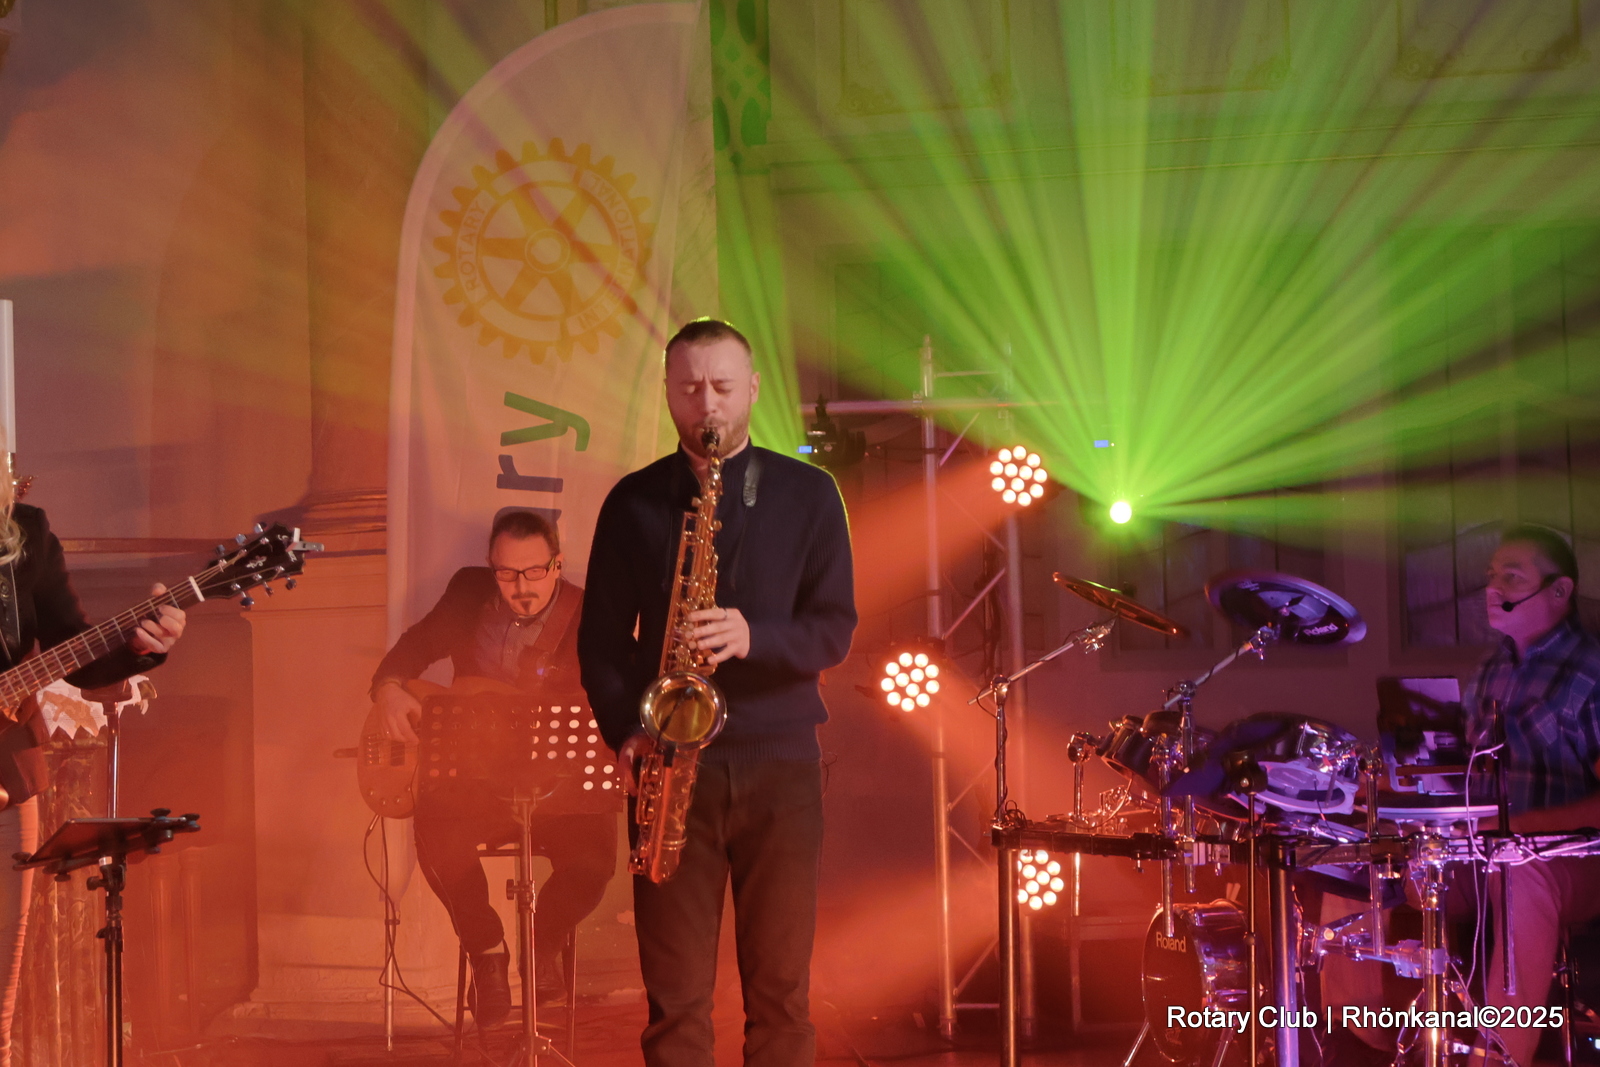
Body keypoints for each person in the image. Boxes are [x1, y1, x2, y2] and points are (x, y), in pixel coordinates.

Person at [578, 318, 857, 1067]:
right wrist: (627, 730)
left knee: (781, 996)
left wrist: (753, 635)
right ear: (668, 392)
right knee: (674, 1004)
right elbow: (601, 641)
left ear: (754, 389)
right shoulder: (633, 502)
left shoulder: (810, 494)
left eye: (723, 387)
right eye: (691, 387)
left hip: (781, 767)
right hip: (670, 767)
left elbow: (834, 630)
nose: (708, 404)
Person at [370, 511, 619, 1027]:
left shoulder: (590, 612)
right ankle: (487, 951)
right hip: (476, 779)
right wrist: (388, 688)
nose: (521, 587)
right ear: (490, 566)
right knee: (435, 835)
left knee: (593, 863)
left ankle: (540, 946)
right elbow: (415, 646)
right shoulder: (469, 592)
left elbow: (617, 690)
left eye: (535, 572)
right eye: (506, 574)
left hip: (555, 788)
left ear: (557, 564)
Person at [0, 453, 186, 1066]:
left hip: (5, 780)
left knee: (0, 991)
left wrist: (142, 646)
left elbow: (73, 649)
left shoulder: (24, 533)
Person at [1462, 524, 1600, 1067]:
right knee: (1372, 857)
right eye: (1492, 575)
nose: (1493, 587)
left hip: (1573, 858)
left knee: (1523, 874)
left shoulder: (1591, 671)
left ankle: (1498, 1057)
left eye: (1512, 577)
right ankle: (1356, 1032)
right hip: (1485, 849)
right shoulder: (1490, 669)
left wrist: (1521, 832)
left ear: (1559, 590)